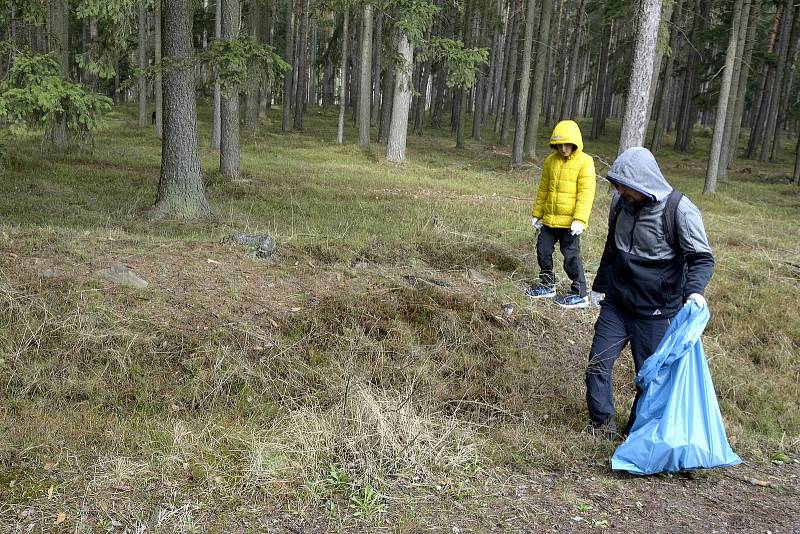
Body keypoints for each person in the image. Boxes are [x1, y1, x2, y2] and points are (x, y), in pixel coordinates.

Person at [585, 146, 715, 439]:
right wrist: (599, 286)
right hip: (616, 305)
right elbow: (612, 246)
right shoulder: (619, 204)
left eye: (623, 185)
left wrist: (695, 292)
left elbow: (702, 257)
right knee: (597, 364)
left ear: (642, 183)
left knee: (651, 378)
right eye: (616, 184)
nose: (618, 190)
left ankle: (637, 433)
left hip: (656, 313)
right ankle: (601, 426)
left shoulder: (679, 210)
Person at [526, 120, 596, 308]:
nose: (563, 148)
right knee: (543, 249)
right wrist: (537, 213)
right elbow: (543, 189)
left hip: (570, 223)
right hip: (549, 219)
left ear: (575, 143)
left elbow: (586, 193)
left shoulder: (585, 162)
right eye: (560, 144)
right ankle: (547, 285)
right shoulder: (550, 161)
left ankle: (580, 293)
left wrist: (580, 220)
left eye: (567, 144)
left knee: (571, 256)